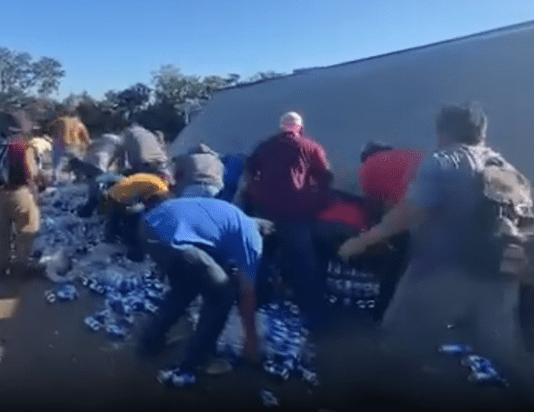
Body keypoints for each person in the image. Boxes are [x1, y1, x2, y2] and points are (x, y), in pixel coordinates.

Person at [337, 103, 534, 411]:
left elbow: (409, 212)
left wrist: (361, 242)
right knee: (505, 349)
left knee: (398, 340)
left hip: (440, 276)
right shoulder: (508, 168)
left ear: (442, 131)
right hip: (498, 275)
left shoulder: (443, 161)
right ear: (481, 133)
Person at [136, 197, 266, 378]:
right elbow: (247, 294)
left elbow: (214, 256)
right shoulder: (253, 239)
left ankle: (149, 343)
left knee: (184, 289)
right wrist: (251, 340)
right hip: (173, 239)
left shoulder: (235, 220)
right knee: (223, 293)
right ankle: (199, 359)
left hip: (149, 227)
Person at [243, 111, 333, 333]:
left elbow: (249, 170)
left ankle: (257, 305)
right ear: (300, 128)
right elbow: (325, 176)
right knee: (304, 261)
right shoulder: (310, 146)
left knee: (261, 256)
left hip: (265, 211)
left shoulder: (264, 146)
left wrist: (257, 194)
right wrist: (314, 198)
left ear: (281, 127)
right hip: (296, 212)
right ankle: (311, 315)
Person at [354, 142, 424, 321]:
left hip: (409, 221)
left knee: (396, 270)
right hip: (442, 217)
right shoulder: (412, 153)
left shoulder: (368, 168)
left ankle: (382, 314)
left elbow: (372, 207)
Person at [0, 111, 43, 279]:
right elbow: (31, 174)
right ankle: (21, 268)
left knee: (3, 233)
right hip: (19, 193)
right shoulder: (23, 147)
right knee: (27, 230)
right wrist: (37, 192)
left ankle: (1, 267)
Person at [99, 172, 170, 260]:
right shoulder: (119, 189)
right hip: (157, 189)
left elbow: (126, 210)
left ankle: (133, 247)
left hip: (159, 193)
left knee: (133, 215)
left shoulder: (117, 194)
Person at [47, 107, 90, 183]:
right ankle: (79, 178)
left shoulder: (60, 122)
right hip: (76, 147)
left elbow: (50, 128)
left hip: (61, 146)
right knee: (78, 164)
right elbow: (85, 138)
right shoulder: (79, 124)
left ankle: (55, 180)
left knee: (57, 165)